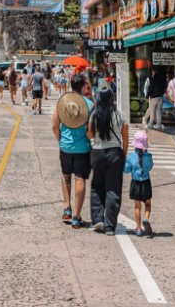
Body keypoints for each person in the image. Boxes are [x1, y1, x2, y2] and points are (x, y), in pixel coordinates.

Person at [52, 73, 92, 229]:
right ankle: (76, 216)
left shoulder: (62, 102)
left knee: (66, 175)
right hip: (82, 147)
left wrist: (61, 140)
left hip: (65, 146)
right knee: (80, 179)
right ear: (83, 86)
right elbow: (90, 130)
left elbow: (55, 125)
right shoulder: (89, 104)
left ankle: (67, 207)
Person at [87, 87, 128, 235]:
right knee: (113, 189)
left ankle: (98, 219)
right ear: (112, 98)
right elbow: (125, 138)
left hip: (97, 153)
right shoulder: (119, 116)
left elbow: (90, 134)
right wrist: (123, 155)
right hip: (115, 153)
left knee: (97, 185)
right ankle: (110, 226)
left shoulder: (94, 115)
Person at [124, 130, 154, 237]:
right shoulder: (149, 156)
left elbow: (126, 170)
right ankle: (146, 219)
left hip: (135, 183)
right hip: (146, 183)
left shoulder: (131, 157)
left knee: (137, 207)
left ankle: (138, 228)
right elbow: (150, 167)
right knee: (148, 204)